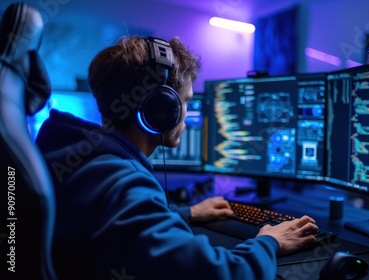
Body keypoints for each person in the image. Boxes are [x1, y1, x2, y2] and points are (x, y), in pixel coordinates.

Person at [36, 35, 318, 279]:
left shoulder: (81, 157)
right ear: (161, 109)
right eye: (185, 101)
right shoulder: (123, 184)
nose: (188, 114)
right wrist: (269, 241)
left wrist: (187, 213)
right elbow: (221, 275)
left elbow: (122, 221)